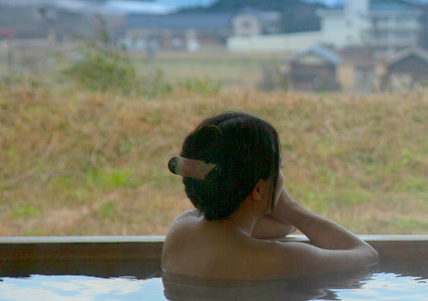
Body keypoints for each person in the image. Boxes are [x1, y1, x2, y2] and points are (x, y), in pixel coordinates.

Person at [162, 112, 379, 280]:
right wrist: (288, 205)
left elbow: (279, 227)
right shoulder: (282, 259)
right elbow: (367, 256)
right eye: (279, 169)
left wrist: (268, 194)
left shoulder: (181, 230)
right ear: (258, 190)